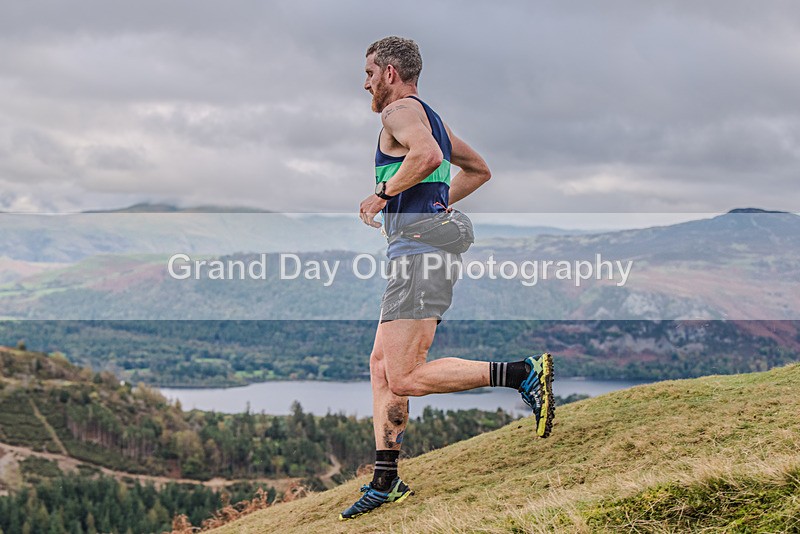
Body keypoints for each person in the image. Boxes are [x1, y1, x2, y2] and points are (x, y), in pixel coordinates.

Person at [340, 36, 554, 521]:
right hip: (419, 251)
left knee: (405, 375)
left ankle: (523, 373)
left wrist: (383, 192)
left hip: (418, 256)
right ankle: (385, 480)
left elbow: (428, 158)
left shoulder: (397, 114)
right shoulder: (429, 117)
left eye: (369, 72)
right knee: (381, 366)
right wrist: (437, 206)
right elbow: (478, 170)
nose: (365, 82)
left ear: (390, 72)